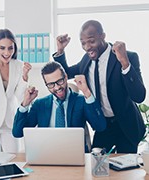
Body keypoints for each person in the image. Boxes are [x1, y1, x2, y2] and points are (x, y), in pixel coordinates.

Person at [53, 20, 146, 153]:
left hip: (126, 126)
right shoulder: (86, 60)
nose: (87, 47)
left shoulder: (127, 56)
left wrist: (125, 63)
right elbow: (65, 73)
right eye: (83, 43)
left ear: (103, 36)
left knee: (126, 170)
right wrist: (60, 51)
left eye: (91, 41)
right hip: (104, 126)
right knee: (96, 165)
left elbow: (139, 96)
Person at [12, 61, 106, 153]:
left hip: (74, 154)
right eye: (51, 84)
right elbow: (17, 132)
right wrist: (25, 103)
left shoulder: (81, 101)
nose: (57, 88)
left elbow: (100, 126)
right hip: (46, 154)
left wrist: (87, 92)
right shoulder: (40, 104)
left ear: (65, 77)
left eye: (59, 81)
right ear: (46, 84)